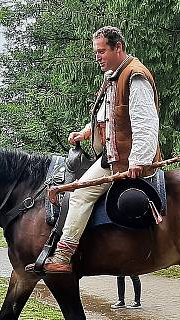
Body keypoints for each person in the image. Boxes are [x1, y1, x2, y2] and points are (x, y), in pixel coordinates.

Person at [37, 26, 161, 273]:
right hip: (111, 156)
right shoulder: (113, 77)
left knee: (80, 195)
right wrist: (86, 132)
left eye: (102, 51)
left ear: (118, 47)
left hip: (126, 161)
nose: (98, 57)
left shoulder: (135, 76)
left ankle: (63, 255)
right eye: (96, 52)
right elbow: (107, 117)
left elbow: (146, 122)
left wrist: (139, 160)